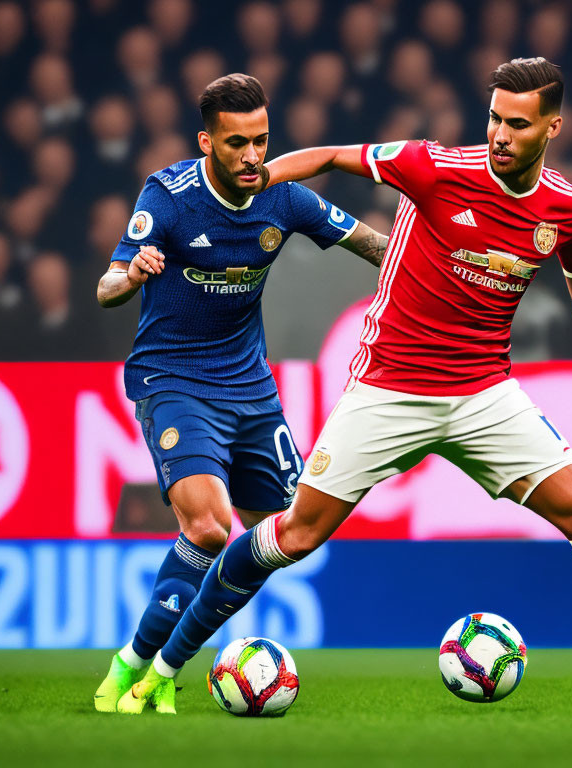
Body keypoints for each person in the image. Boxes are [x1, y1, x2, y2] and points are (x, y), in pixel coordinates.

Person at [121, 58, 572, 716]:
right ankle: (164, 665)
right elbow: (332, 155)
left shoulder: (567, 207)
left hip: (483, 392)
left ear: (552, 127)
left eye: (518, 123)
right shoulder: (435, 165)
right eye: (496, 117)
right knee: (295, 535)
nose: (500, 133)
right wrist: (256, 179)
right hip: (390, 387)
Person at [93, 73, 387, 713]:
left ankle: (163, 663)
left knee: (282, 534)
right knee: (206, 527)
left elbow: (372, 245)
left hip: (250, 389)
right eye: (236, 144)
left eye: (261, 140)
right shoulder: (168, 196)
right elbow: (107, 286)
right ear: (208, 142)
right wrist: (133, 271)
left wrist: (442, 267)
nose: (253, 156)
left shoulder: (285, 198)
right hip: (173, 378)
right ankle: (136, 668)